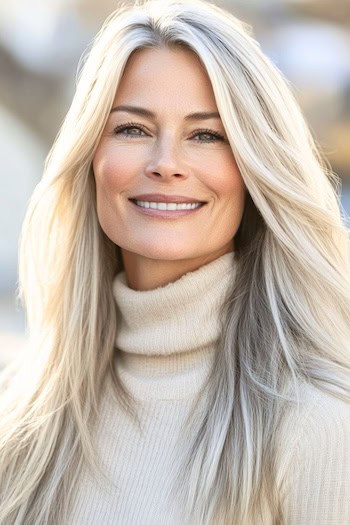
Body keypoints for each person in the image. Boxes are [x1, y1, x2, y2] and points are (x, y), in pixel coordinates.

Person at [1, 0, 350, 523]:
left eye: (207, 135)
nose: (166, 164)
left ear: (255, 168)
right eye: (132, 129)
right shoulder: (23, 417)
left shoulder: (319, 427)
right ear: (90, 158)